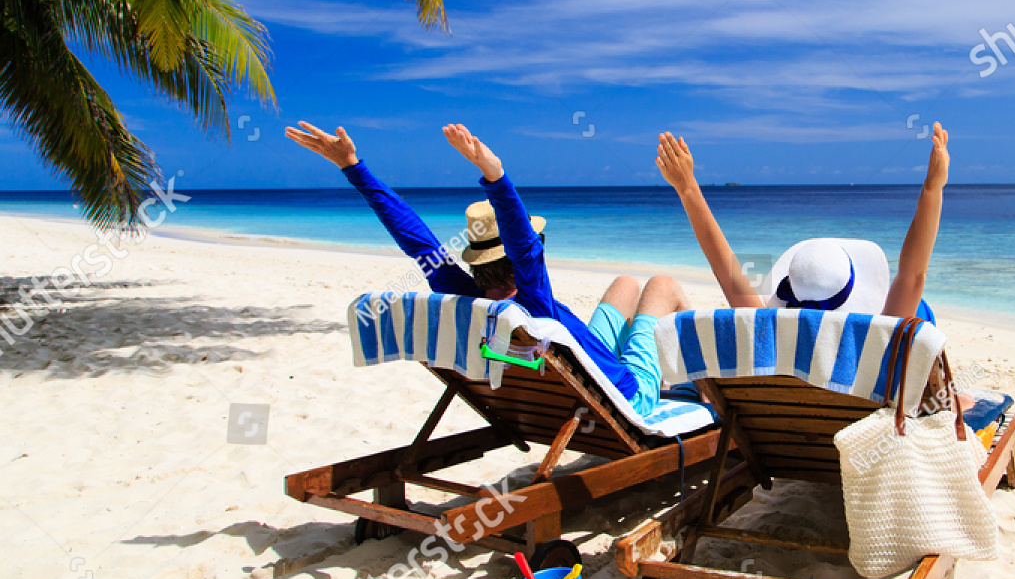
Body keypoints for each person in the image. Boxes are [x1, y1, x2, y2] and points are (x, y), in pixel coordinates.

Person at [286, 121, 690, 415]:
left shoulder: (467, 301)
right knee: (662, 284)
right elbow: (522, 246)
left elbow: (417, 240)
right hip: (625, 394)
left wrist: (354, 167)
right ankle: (709, 383)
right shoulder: (533, 300)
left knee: (625, 283)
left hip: (574, 372)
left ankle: (636, 349)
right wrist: (494, 175)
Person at [654, 123, 950, 322]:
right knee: (920, 312)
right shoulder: (874, 347)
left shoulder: (767, 336)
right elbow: (913, 275)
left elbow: (724, 267)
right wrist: (932, 189)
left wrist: (687, 188)